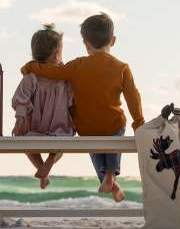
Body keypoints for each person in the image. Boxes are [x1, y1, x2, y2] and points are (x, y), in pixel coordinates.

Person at [21, 13, 145, 202]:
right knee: (115, 136)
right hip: (112, 124)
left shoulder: (77, 65)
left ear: (86, 43)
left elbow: (53, 72)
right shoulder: (121, 68)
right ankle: (111, 176)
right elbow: (132, 97)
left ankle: (107, 180)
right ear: (113, 40)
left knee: (94, 149)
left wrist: (31, 67)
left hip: (86, 127)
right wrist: (139, 123)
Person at [11, 24, 74, 189]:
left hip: (35, 126)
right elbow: (72, 102)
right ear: (57, 54)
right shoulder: (64, 78)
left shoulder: (30, 77)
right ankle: (49, 162)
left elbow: (20, 100)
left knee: (26, 143)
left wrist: (20, 119)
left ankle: (41, 169)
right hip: (59, 126)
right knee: (64, 142)